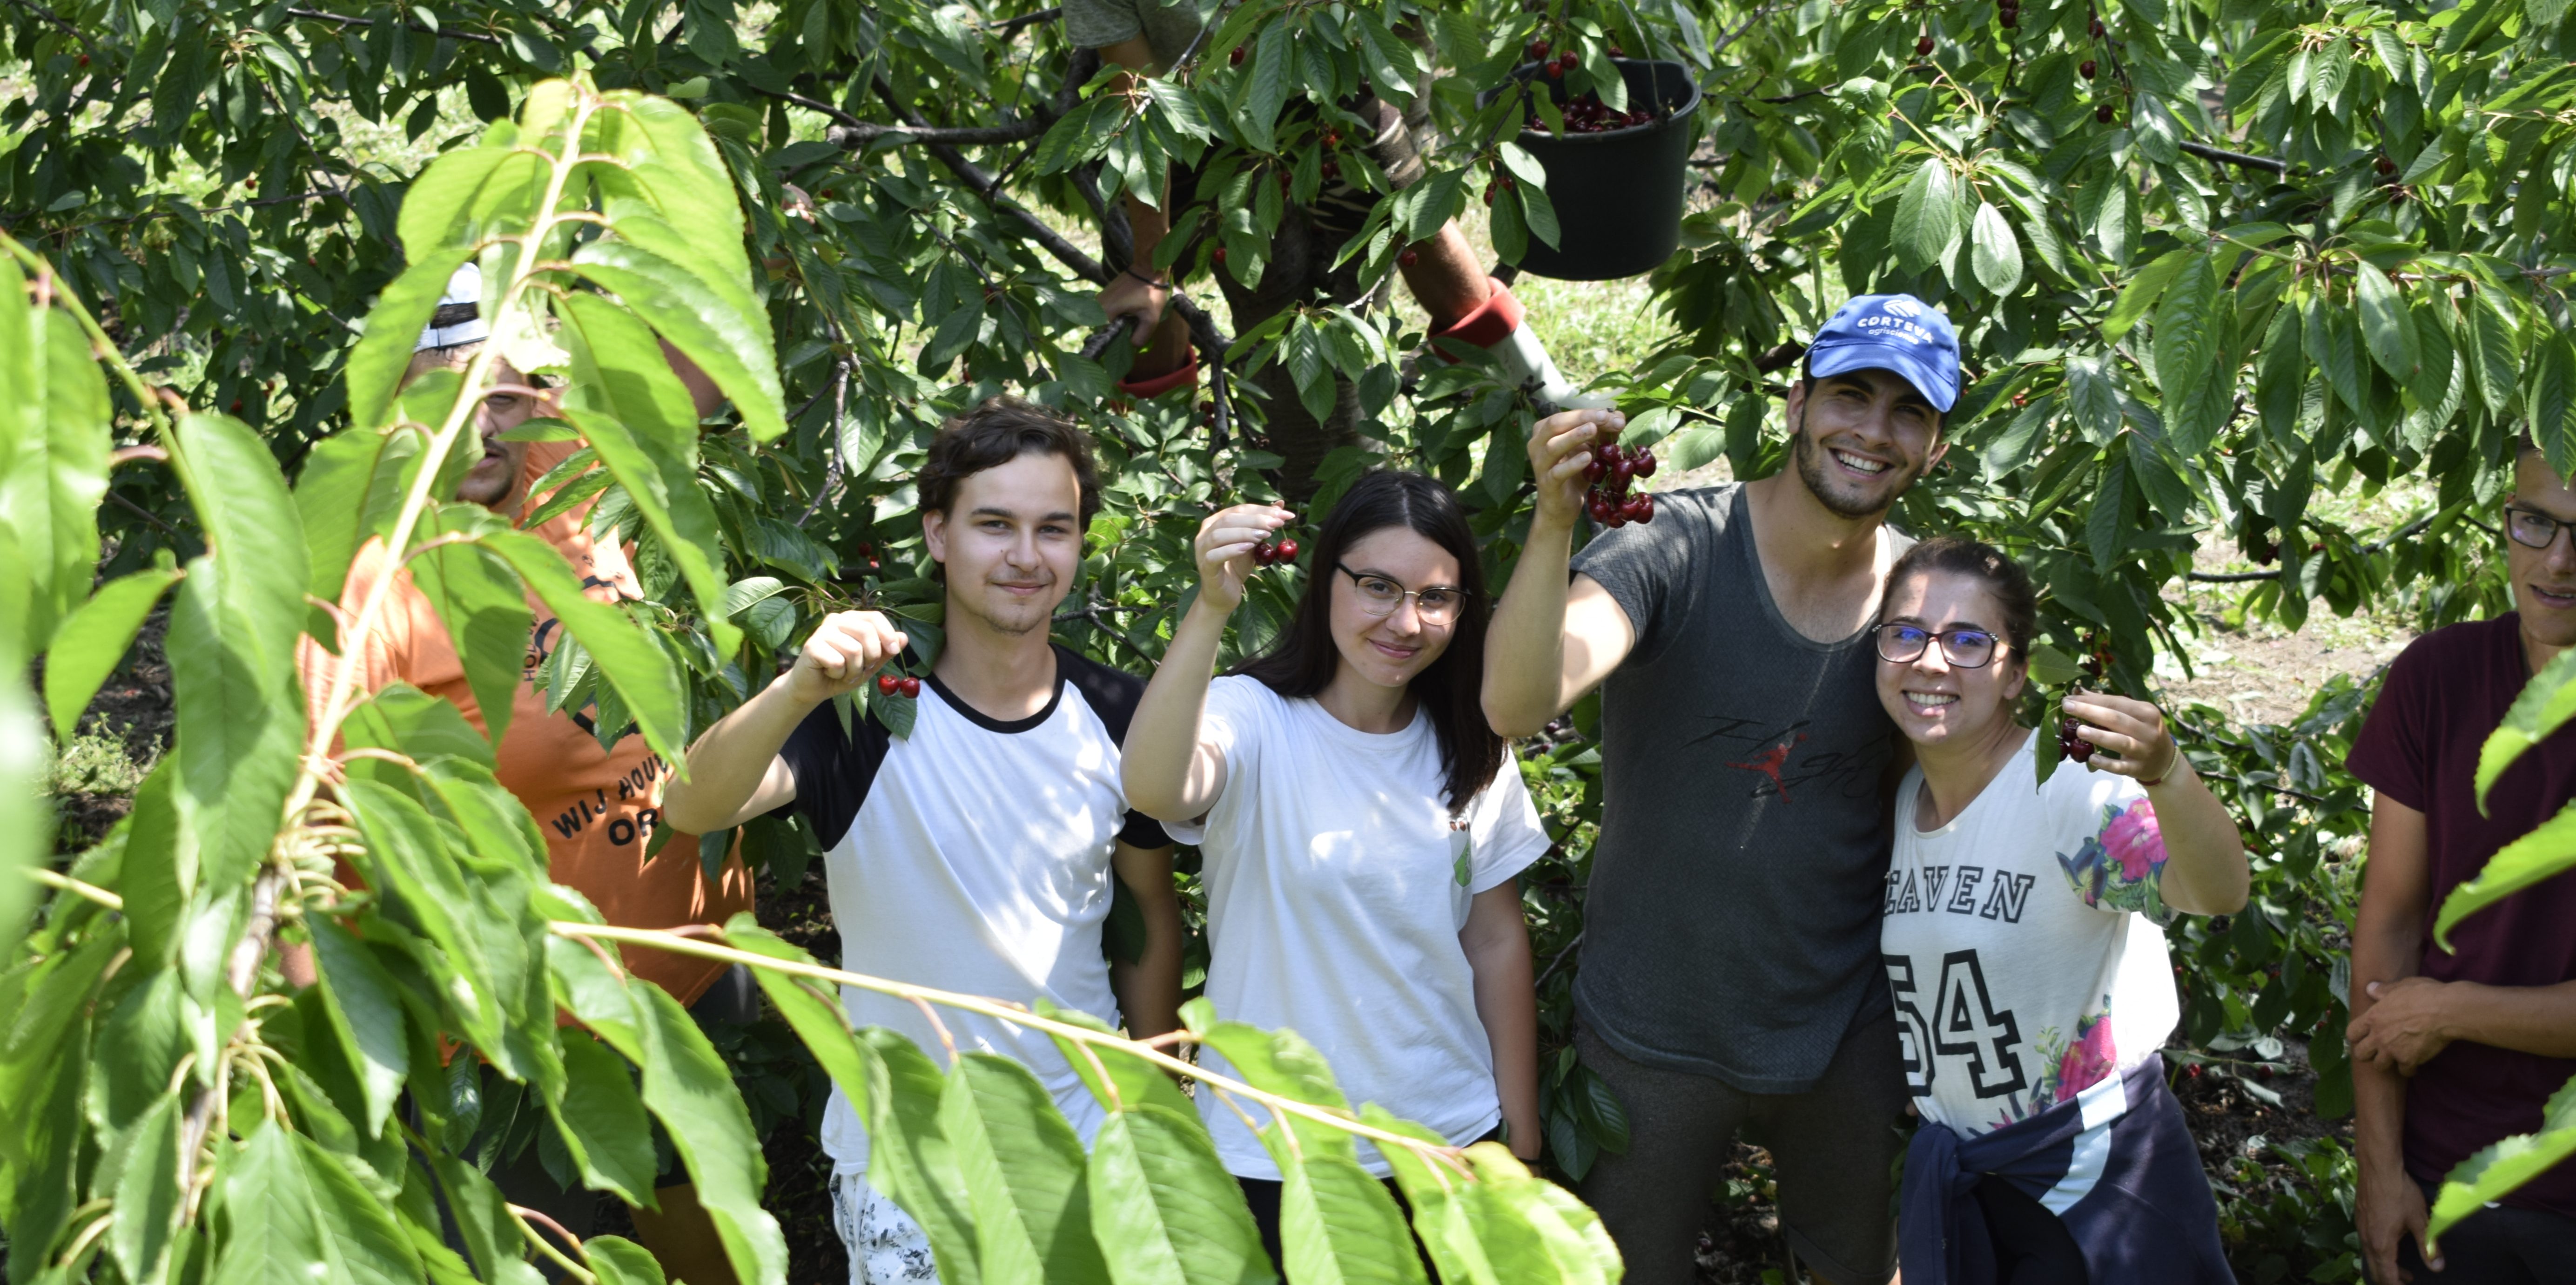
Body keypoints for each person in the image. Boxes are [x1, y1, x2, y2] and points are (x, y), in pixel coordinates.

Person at [1478, 293, 1964, 1285]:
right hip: (1652, 1030)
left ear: (1935, 447)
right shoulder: (1676, 547)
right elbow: (1517, 702)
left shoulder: (1924, 611)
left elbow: (1969, 799)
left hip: (1842, 1028)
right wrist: (1553, 521)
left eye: (1905, 412)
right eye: (1850, 396)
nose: (1870, 431)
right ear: (1796, 405)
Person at [658, 397, 1184, 1285]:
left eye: (1053, 529)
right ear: (938, 535)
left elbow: (1146, 909)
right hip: (906, 1162)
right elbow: (691, 808)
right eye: (994, 525)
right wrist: (797, 690)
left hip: (1087, 1140)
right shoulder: (864, 715)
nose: (1025, 556)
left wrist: (1158, 1094)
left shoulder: (1123, 713)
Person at [298, 264, 754, 1285]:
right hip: (515, 1042)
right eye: (444, 398)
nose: (480, 431)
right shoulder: (364, 584)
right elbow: (310, 840)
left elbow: (712, 366)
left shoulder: (572, 476)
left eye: (503, 397)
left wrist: (581, 253)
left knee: (703, 1242)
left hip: (689, 976)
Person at [1119, 471, 1546, 1267]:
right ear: (1327, 584)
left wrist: (1517, 1134)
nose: (1406, 621)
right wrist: (1212, 606)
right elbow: (1151, 785)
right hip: (1271, 1153)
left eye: (1436, 597)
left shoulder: (1474, 741)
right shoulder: (1252, 718)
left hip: (1446, 1140)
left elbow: (1494, 939)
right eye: (1377, 587)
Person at [1870, 536, 2243, 1285]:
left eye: (1968, 641)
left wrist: (2167, 773)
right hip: (1975, 1183)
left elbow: (2215, 892)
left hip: (2096, 1176)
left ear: (2015, 675)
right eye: (1906, 633)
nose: (1932, 661)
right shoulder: (1903, 797)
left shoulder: (2063, 789)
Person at [2347, 443, 2576, 1285]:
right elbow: (2388, 928)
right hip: (2443, 1175)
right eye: (2535, 522)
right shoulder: (2439, 677)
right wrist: (2381, 1169)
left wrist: (2452, 1011)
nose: (2557, 561)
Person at [1065, 0, 1602, 414]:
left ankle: (1539, 397)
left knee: (1413, 217)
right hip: (1191, 117)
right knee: (1144, 278)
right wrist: (1151, 267)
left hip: (1322, 84)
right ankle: (1157, 463)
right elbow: (1137, 105)